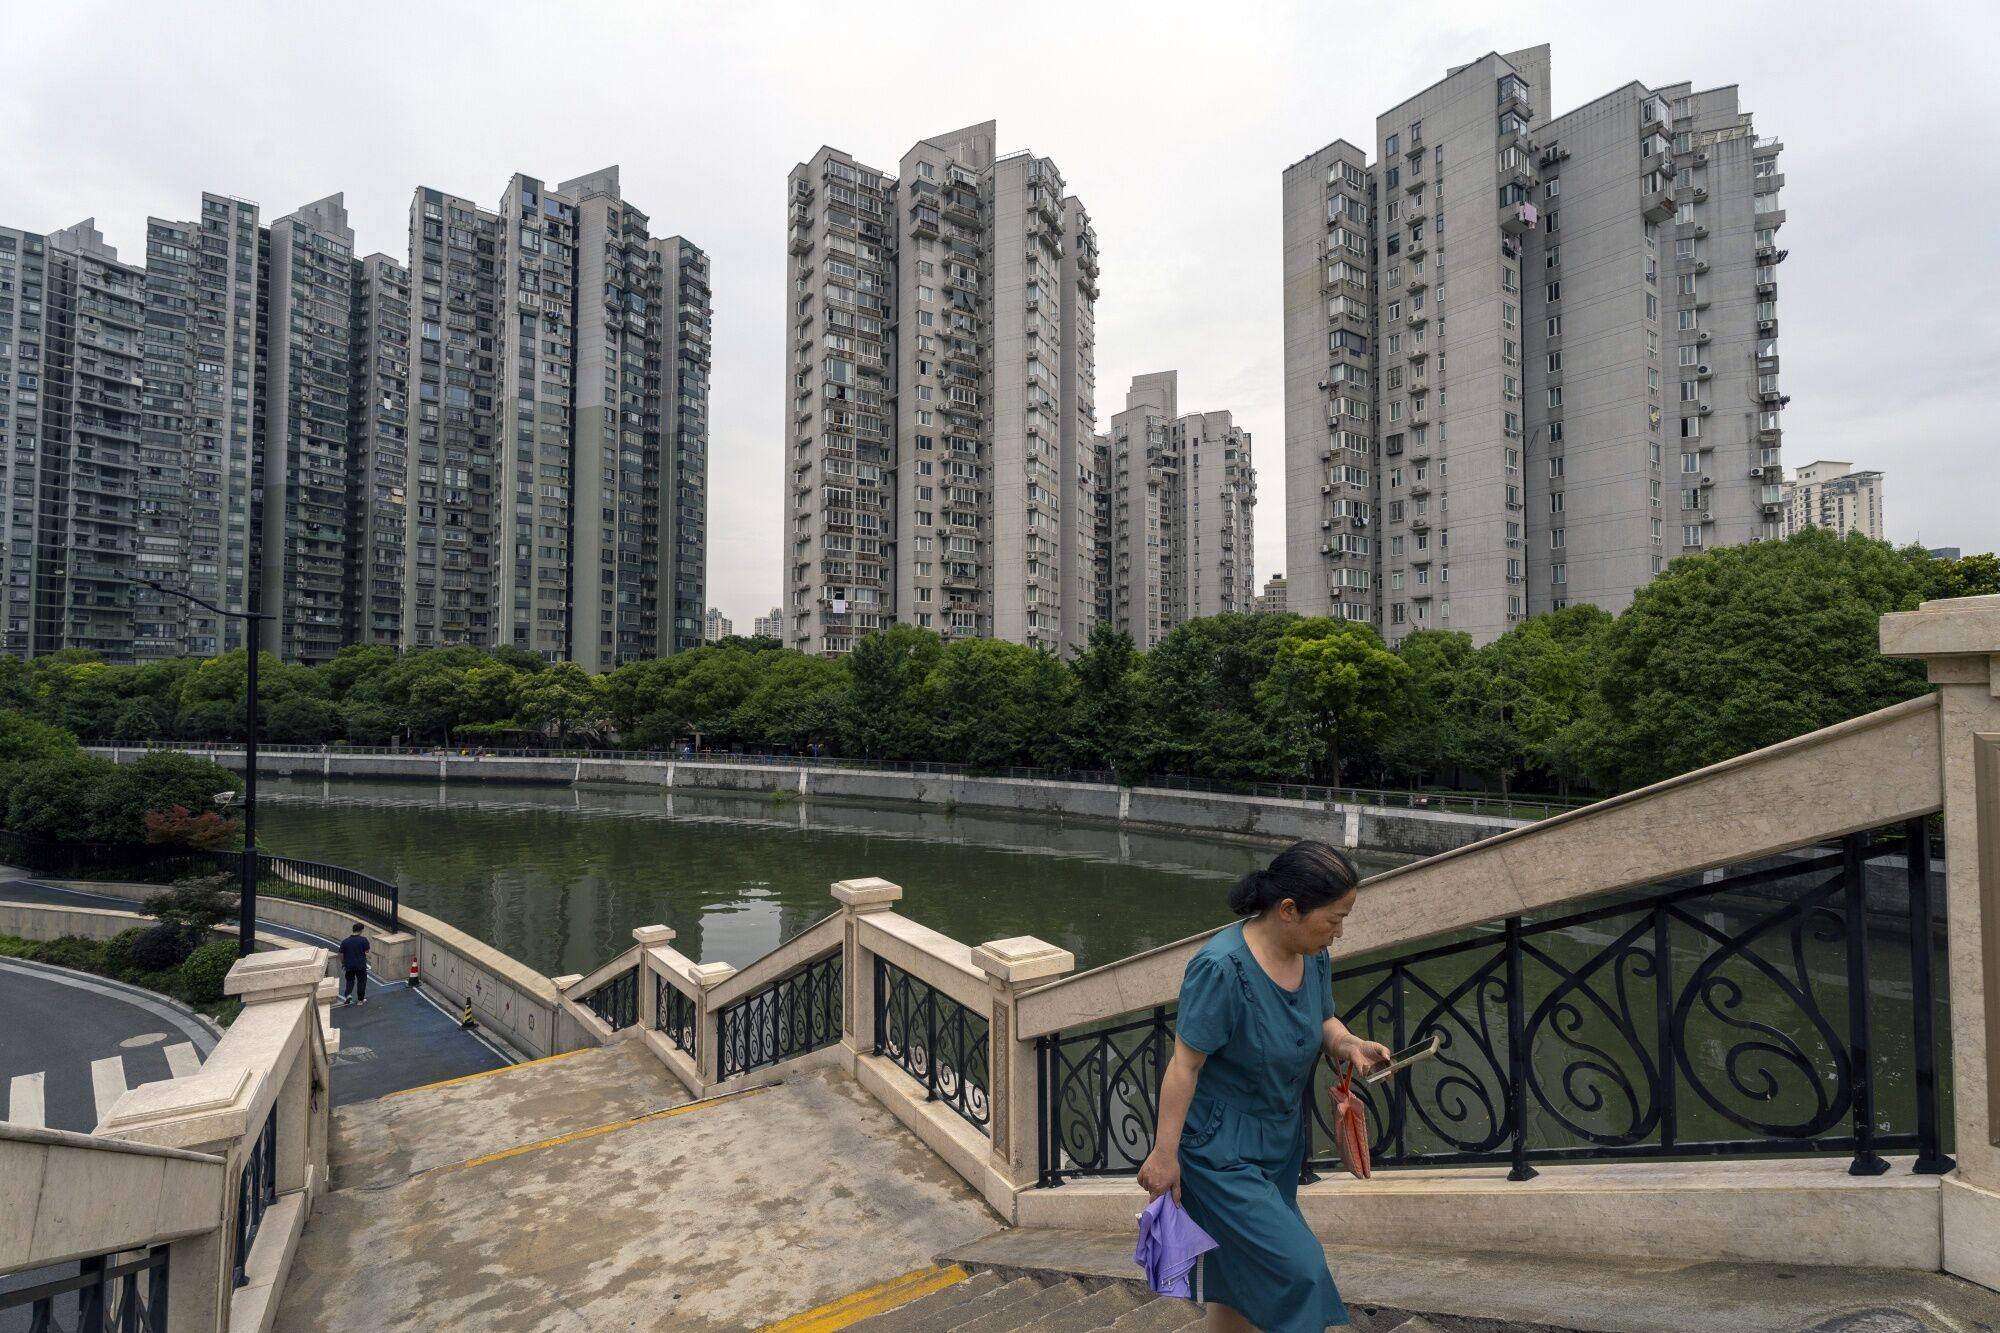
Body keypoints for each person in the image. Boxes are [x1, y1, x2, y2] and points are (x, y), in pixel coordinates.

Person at [1137, 840, 1390, 1332]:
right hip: (1219, 1151)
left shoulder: (1310, 953)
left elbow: (1322, 1018)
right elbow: (1184, 1067)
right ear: (1289, 909)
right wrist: (1164, 1156)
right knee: (1302, 1272)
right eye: (1333, 919)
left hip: (1278, 1142)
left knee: (1236, 1277)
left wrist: (1348, 1045)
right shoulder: (1221, 969)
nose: (1339, 933)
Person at [339, 924, 371, 1006]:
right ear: (361, 930)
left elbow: (341, 954)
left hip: (349, 965)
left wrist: (343, 963)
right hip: (361, 965)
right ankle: (360, 1000)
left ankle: (348, 995)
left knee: (350, 980)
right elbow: (367, 951)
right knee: (361, 981)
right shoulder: (363, 940)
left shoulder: (345, 941)